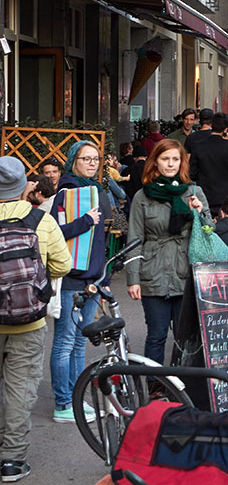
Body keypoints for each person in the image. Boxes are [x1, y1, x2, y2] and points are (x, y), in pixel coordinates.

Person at [0, 156, 71, 481]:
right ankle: (11, 460)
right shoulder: (40, 220)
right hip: (28, 320)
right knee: (20, 389)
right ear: (23, 186)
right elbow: (63, 265)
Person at [126, 139, 212, 365]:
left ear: (182, 162)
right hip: (153, 273)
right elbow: (135, 238)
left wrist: (200, 213)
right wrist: (133, 278)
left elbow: (209, 232)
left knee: (186, 338)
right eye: (165, 159)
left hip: (186, 273)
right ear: (155, 162)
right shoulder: (142, 196)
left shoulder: (194, 192)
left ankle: (184, 385)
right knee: (157, 335)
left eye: (175, 159)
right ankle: (155, 384)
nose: (170, 164)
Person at [49, 141, 109, 423]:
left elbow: (100, 241)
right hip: (72, 278)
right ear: (73, 160)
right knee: (64, 342)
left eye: (96, 159)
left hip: (92, 278)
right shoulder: (66, 192)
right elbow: (54, 233)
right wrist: (86, 220)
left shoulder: (93, 191)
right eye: (86, 158)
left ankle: (75, 399)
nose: (92, 163)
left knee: (78, 344)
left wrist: (103, 275)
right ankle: (63, 402)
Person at [188, 113, 228, 217]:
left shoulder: (198, 146)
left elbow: (192, 172)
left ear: (212, 125)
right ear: (226, 129)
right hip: (227, 192)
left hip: (205, 192)